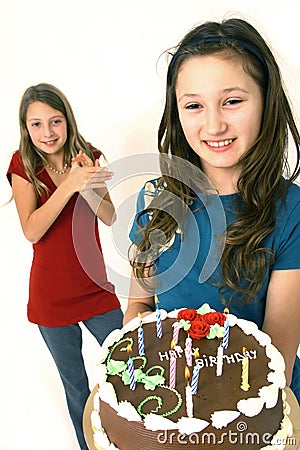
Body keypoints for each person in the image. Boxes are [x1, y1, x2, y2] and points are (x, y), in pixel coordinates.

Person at [124, 18, 300, 404]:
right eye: (193, 105)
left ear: (266, 100)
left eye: (232, 101)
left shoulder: (292, 210)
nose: (214, 123)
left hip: (254, 408)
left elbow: (278, 363)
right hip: (171, 399)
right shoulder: (154, 200)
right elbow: (140, 303)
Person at [6, 83, 123, 449]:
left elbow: (109, 216)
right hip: (51, 299)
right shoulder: (22, 165)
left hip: (96, 289)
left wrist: (86, 182)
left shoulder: (87, 157)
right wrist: (68, 185)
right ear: (26, 128)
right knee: (76, 386)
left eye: (55, 121)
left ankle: (136, 437)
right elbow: (32, 229)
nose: (47, 133)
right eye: (36, 124)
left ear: (67, 121)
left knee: (130, 367)